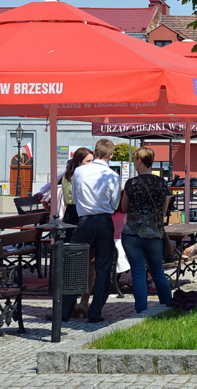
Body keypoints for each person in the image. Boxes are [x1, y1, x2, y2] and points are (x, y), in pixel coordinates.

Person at [62, 138, 121, 323]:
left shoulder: (79, 171)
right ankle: (95, 312)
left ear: (95, 153)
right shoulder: (112, 176)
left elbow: (75, 197)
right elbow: (115, 204)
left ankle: (65, 311)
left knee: (75, 265)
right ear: (111, 156)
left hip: (84, 221)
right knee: (103, 268)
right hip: (104, 221)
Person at [120, 147, 172, 314]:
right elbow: (164, 210)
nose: (134, 163)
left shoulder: (132, 183)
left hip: (132, 233)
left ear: (140, 161)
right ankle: (167, 306)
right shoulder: (162, 183)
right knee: (157, 271)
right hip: (154, 233)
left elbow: (124, 207)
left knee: (138, 272)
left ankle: (141, 310)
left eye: (135, 160)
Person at [61, 148, 94, 241]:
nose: (91, 164)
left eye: (92, 161)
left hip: (70, 211)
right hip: (79, 211)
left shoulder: (67, 174)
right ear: (79, 162)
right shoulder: (80, 175)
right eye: (88, 161)